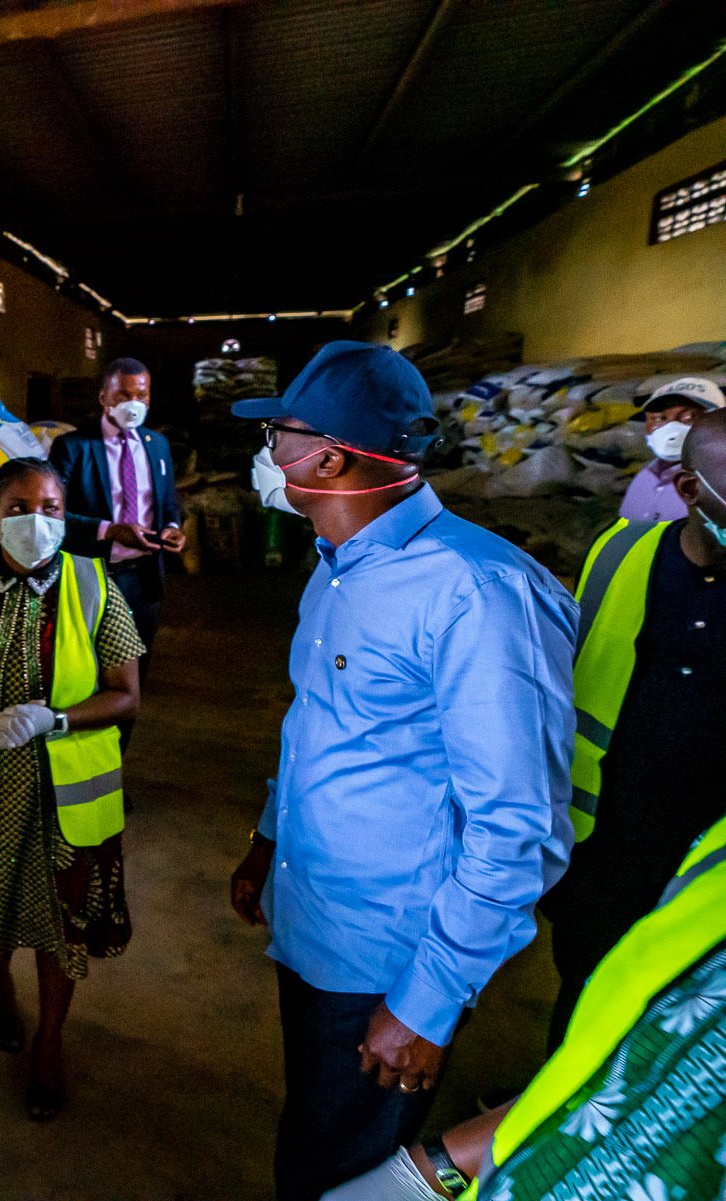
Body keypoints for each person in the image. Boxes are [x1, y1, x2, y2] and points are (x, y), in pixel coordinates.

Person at [225, 341, 578, 1201]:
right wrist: (267, 840)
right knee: (314, 1126)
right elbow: (317, 725)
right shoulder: (336, 568)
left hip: (387, 957)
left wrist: (427, 999)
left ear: (329, 457)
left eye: (278, 434)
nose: (267, 454)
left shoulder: (476, 592)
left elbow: (516, 830)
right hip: (314, 920)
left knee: (343, 1171)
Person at [322, 810, 726, 1200]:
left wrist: (430, 999)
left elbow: (510, 826)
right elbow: (608, 1070)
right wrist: (436, 1168)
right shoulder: (714, 857)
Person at [0, 457, 143, 1121]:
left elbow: (128, 695)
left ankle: (50, 1038)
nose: (35, 522)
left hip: (64, 798)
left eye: (49, 508)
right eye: (18, 508)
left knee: (60, 923)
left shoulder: (95, 584)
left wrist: (59, 717)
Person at [538, 406, 726, 1050]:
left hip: (710, 865)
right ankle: (550, 1130)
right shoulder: (619, 554)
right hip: (606, 845)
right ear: (689, 490)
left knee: (682, 1027)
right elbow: (570, 680)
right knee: (583, 994)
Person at [48, 357, 187, 652]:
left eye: (141, 395)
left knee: (139, 654)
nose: (133, 403)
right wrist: (109, 531)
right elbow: (51, 515)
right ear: (103, 398)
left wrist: (172, 528)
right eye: (123, 395)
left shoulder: (157, 444)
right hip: (95, 573)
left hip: (145, 576)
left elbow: (167, 502)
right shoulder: (72, 447)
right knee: (93, 659)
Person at [619, 377, 723, 522]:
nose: (671, 428)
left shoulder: (718, 482)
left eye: (688, 417)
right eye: (659, 418)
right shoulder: (645, 477)